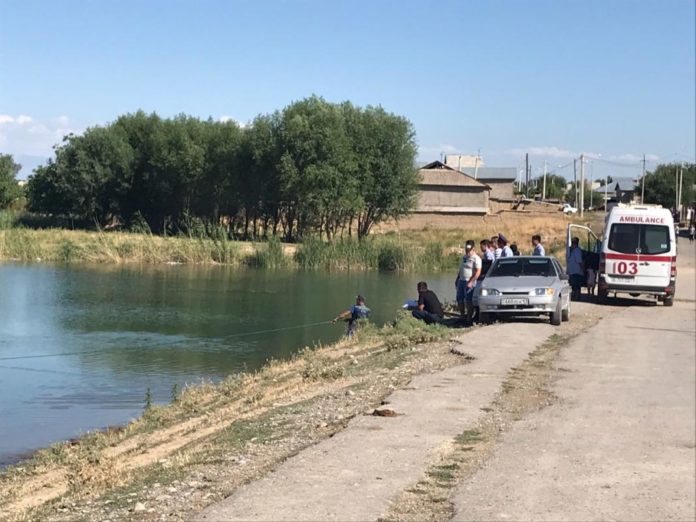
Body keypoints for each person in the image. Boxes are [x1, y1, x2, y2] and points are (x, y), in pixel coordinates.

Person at [455, 240, 482, 324]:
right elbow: (461, 269)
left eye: (469, 250)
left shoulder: (476, 259)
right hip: (461, 280)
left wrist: (471, 281)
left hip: (469, 281)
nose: (467, 251)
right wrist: (457, 279)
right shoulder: (464, 257)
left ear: (473, 248)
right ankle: (462, 316)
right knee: (459, 299)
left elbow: (478, 272)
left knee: (468, 300)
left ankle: (469, 318)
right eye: (466, 249)